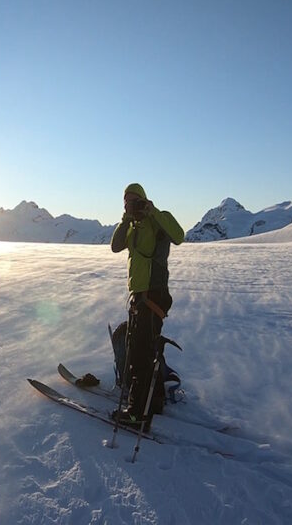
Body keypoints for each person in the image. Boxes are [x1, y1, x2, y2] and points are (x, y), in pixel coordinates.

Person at [110, 183, 184, 429]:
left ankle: (137, 413)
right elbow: (115, 246)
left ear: (145, 200)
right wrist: (126, 218)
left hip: (153, 295)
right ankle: (154, 401)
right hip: (138, 296)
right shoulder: (131, 226)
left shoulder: (158, 220)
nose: (130, 205)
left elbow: (179, 236)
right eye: (126, 202)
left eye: (134, 201)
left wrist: (153, 212)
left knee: (141, 355)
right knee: (142, 350)